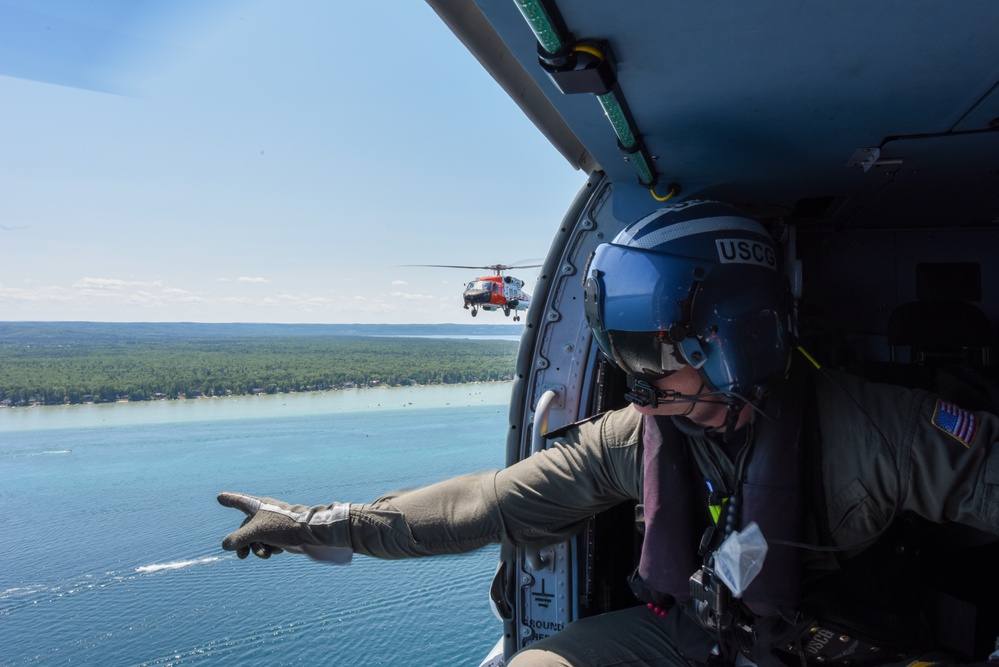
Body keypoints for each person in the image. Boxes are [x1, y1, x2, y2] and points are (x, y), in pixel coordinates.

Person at [218, 200, 999, 666]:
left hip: (840, 633)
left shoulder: (880, 432)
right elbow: (491, 503)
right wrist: (322, 524)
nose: (634, 381)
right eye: (622, 354)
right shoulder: (639, 434)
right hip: (696, 629)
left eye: (651, 352)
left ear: (730, 336)